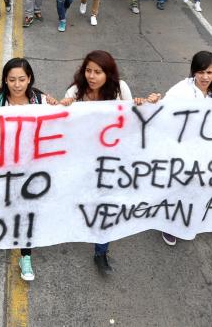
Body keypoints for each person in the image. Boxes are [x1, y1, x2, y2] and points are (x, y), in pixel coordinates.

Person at [0, 58, 57, 281]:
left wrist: (62, 106)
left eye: (21, 79)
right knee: (1, 205)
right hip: (2, 167)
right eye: (12, 80)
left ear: (29, 79)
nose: (17, 85)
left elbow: (62, 124)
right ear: (5, 80)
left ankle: (25, 255)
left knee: (27, 210)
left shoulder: (42, 100)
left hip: (32, 169)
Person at [59, 51, 134, 275]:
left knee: (105, 204)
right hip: (81, 159)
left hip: (110, 161)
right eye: (88, 71)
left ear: (108, 74)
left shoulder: (121, 89)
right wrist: (64, 106)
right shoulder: (75, 91)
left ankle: (101, 251)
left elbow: (132, 120)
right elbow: (63, 125)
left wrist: (141, 105)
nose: (92, 76)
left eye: (98, 72)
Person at [161, 50, 212, 244]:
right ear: (193, 72)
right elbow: (161, 114)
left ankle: (190, 218)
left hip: (209, 150)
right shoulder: (179, 91)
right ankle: (169, 224)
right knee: (179, 187)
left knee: (200, 186)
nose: (205, 77)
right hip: (184, 149)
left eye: (210, 72)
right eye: (201, 72)